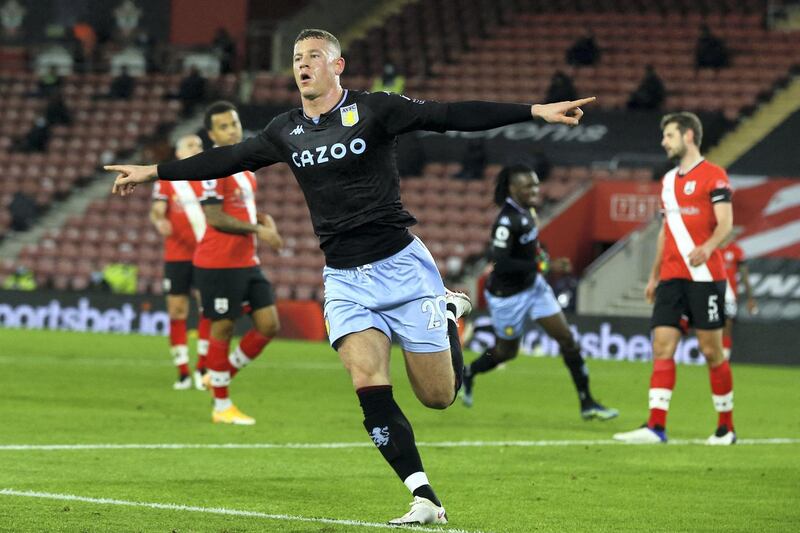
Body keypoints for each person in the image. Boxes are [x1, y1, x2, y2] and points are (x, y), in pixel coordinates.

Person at [107, 28, 594, 524]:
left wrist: (533, 110)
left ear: (337, 65)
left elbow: (448, 115)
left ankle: (447, 308)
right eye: (297, 57)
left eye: (314, 56)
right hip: (344, 278)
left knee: (438, 397)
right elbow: (228, 158)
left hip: (402, 269)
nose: (303, 64)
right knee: (367, 378)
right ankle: (424, 497)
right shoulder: (285, 130)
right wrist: (155, 171)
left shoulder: (377, 109)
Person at [613, 112, 736, 445]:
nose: (663, 142)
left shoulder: (715, 176)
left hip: (705, 277)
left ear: (689, 136)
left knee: (712, 352)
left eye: (669, 135)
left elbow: (726, 223)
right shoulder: (668, 182)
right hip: (671, 278)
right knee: (662, 346)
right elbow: (666, 232)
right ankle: (656, 426)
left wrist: (709, 247)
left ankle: (726, 428)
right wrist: (653, 276)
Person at [460, 165, 618, 421]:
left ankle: (587, 402)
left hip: (534, 288)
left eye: (535, 184)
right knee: (506, 352)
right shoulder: (506, 221)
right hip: (508, 295)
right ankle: (469, 372)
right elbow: (500, 262)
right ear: (513, 189)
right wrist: (545, 265)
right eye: (527, 186)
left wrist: (543, 259)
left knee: (567, 339)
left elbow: (531, 246)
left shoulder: (528, 212)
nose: (534, 190)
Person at [191, 101, 283, 425]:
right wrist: (259, 229)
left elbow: (240, 209)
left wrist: (263, 220)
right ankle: (221, 407)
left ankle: (220, 374)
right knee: (224, 326)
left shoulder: (243, 166)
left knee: (269, 324)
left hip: (246, 260)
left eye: (234, 123)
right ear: (212, 134)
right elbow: (214, 217)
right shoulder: (214, 166)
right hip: (218, 262)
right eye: (224, 126)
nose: (232, 130)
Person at [150, 134, 212, 391]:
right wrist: (158, 220)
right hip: (177, 255)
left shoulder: (212, 177)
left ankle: (203, 368)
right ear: (177, 153)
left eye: (199, 145)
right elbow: (157, 209)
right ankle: (183, 371)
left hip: (207, 254)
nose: (196, 148)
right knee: (177, 311)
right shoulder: (167, 180)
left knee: (207, 310)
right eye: (190, 145)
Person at [719, 234, 757, 359]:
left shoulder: (736, 250)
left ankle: (725, 358)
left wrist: (750, 298)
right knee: (711, 327)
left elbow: (744, 276)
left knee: (727, 325)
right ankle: (714, 356)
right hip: (712, 293)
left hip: (730, 296)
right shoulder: (712, 248)